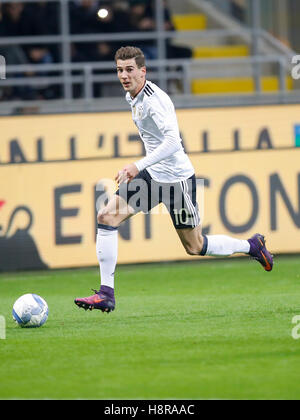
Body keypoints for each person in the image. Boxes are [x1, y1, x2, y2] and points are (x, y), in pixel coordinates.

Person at [74, 46, 273, 314]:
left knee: (195, 246)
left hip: (177, 182)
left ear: (143, 71)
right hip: (152, 177)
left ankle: (251, 245)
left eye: (130, 69)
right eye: (120, 70)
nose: (124, 75)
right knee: (106, 216)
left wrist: (137, 165)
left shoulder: (155, 101)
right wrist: (143, 168)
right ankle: (106, 294)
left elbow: (172, 142)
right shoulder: (133, 95)